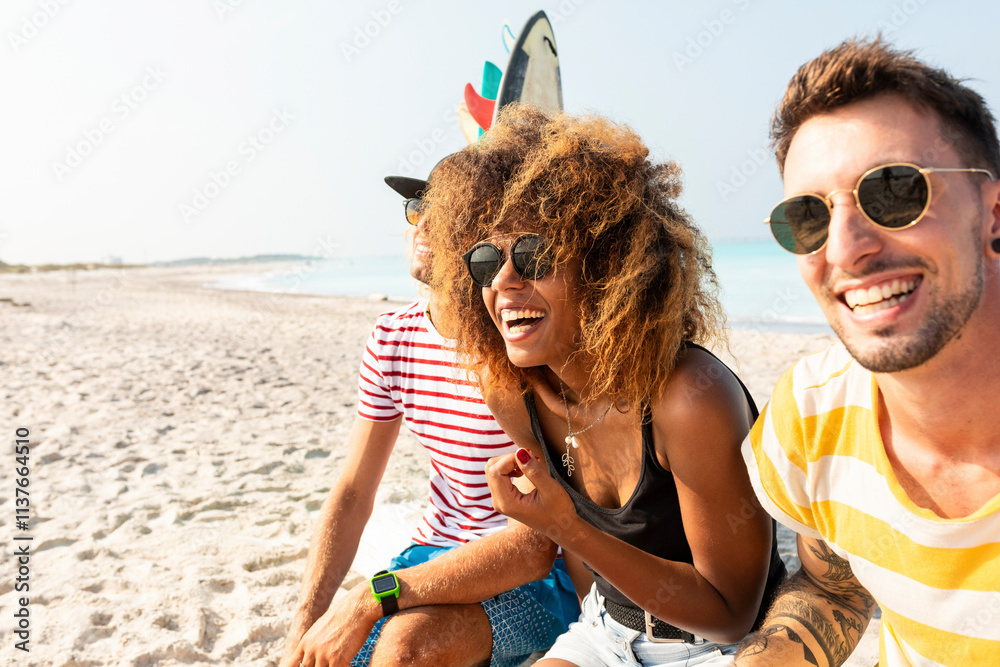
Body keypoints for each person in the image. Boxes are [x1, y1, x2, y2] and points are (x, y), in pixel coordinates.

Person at [425, 105, 787, 667]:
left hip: (721, 646)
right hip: (605, 632)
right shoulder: (512, 394)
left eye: (534, 254)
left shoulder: (689, 397)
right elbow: (582, 564)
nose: (503, 280)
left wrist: (564, 526)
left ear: (606, 266)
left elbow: (729, 611)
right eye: (486, 260)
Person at [735, 38, 1000, 666]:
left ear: (993, 217)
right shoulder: (812, 410)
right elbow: (834, 585)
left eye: (894, 193)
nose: (846, 247)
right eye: (808, 217)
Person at [280, 160, 579, 667]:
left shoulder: (523, 343)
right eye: (418, 207)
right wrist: (306, 618)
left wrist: (368, 598)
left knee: (405, 651)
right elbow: (354, 490)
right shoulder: (393, 335)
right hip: (432, 557)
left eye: (447, 212)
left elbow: (535, 545)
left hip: (540, 575)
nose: (423, 224)